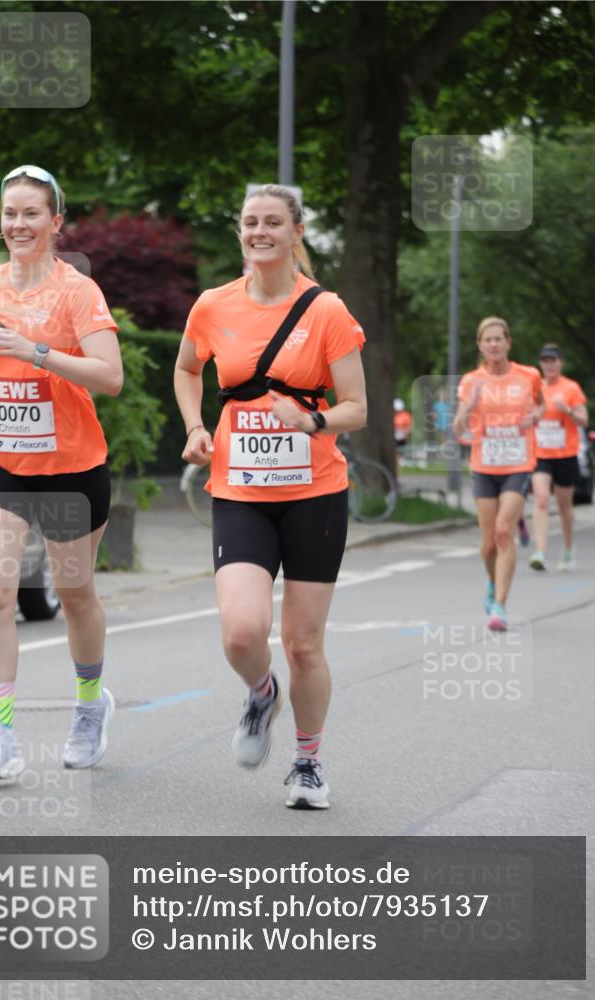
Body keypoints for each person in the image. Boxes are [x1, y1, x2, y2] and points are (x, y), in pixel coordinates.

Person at [174, 184, 367, 809]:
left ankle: (308, 764)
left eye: (273, 223)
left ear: (296, 232)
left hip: (315, 493)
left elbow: (357, 409)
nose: (260, 232)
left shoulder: (327, 311)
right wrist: (196, 426)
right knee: (241, 633)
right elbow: (185, 369)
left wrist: (310, 423)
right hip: (240, 491)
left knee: (304, 643)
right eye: (250, 222)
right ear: (240, 233)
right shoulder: (212, 305)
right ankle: (261, 695)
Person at [0, 165, 123, 782]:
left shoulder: (78, 292)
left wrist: (38, 353)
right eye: (10, 213)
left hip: (71, 467)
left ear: (55, 222)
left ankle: (88, 707)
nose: (18, 224)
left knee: (75, 596)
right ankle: (0, 737)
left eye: (31, 214)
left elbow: (111, 376)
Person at [453, 317, 544, 631]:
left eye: (498, 339)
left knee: (504, 532)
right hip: (484, 466)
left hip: (519, 463)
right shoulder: (471, 381)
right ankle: (492, 582)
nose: (493, 344)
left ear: (508, 342)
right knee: (488, 543)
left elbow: (541, 406)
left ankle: (500, 606)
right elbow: (458, 428)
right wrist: (471, 405)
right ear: (480, 345)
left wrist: (537, 415)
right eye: (487, 339)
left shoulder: (529, 376)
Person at [529, 343, 588, 572]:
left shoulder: (571, 388)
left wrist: (568, 410)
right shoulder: (535, 388)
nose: (549, 364)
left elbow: (584, 420)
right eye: (545, 360)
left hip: (565, 454)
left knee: (564, 506)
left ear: (560, 362)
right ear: (541, 364)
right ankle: (540, 552)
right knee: (542, 499)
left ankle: (567, 547)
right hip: (540, 453)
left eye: (553, 360)